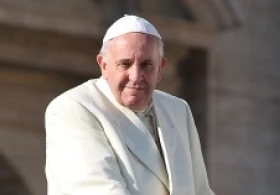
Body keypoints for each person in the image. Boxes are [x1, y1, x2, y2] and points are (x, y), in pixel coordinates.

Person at [45, 15, 214, 195]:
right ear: (104, 65)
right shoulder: (73, 108)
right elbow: (99, 189)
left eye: (146, 65)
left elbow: (200, 191)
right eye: (125, 64)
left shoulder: (178, 110)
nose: (135, 76)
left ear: (160, 68)